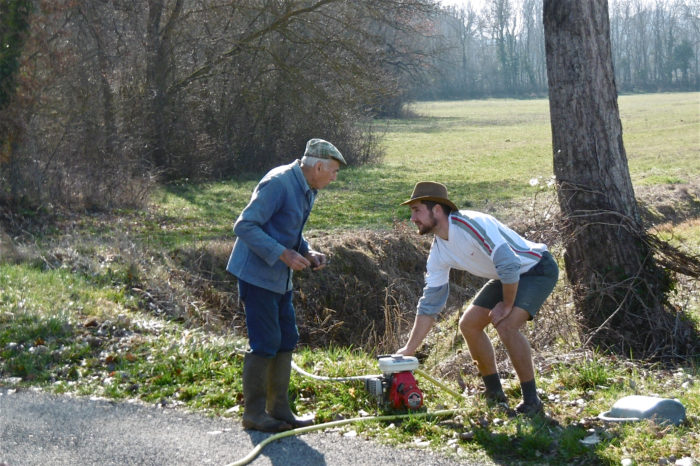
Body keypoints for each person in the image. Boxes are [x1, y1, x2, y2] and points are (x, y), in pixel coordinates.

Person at [396, 181, 558, 415]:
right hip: (506, 276)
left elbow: (510, 263)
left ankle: (532, 402)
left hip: (536, 269)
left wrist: (507, 304)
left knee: (507, 325)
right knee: (469, 325)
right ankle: (494, 394)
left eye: (417, 210)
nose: (413, 218)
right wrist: (409, 349)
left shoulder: (471, 224)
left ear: (437, 209)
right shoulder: (439, 251)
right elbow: (431, 302)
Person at [226, 138, 346, 432]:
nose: (334, 178)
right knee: (265, 343)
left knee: (286, 339)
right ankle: (254, 414)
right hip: (256, 275)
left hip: (281, 278)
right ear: (317, 166)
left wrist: (306, 250)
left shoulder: (308, 188)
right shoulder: (279, 183)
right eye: (333, 172)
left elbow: (287, 229)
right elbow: (244, 226)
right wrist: (283, 253)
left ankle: (279, 410)